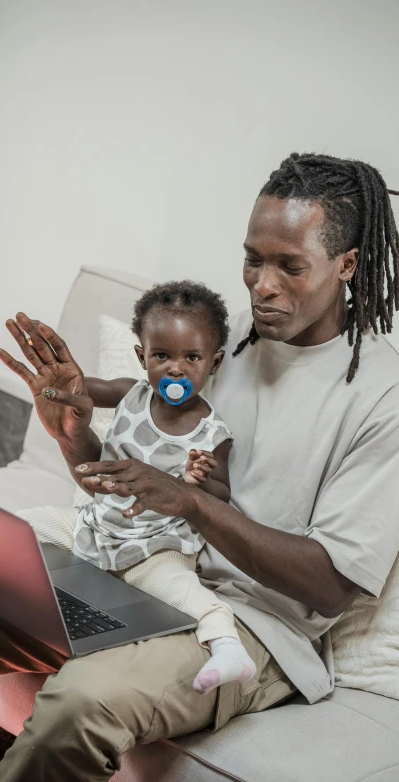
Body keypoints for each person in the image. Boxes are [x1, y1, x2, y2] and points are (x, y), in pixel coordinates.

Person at [0, 152, 399, 782]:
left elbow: (332, 585)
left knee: (82, 700)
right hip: (140, 572)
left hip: (251, 629)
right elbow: (135, 484)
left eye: (290, 266)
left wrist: (195, 502)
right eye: (254, 258)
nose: (263, 284)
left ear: (348, 264)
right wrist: (75, 438)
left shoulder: (388, 398)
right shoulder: (223, 344)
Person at [20, 280, 256, 695]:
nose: (176, 369)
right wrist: (55, 389)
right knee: (25, 526)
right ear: (141, 356)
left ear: (214, 363)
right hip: (95, 526)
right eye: (161, 355)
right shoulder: (131, 393)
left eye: (192, 357)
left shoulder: (213, 432)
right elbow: (79, 391)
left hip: (158, 547)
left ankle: (227, 649)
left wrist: (199, 482)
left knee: (186, 593)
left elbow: (221, 496)